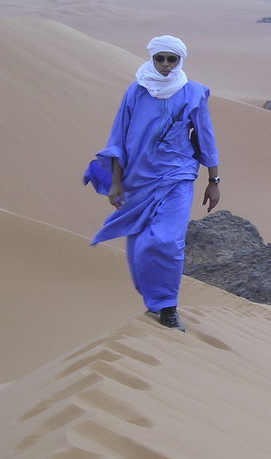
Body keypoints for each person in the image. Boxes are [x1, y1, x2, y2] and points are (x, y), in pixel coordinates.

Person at [84, 35, 220, 332]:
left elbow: (205, 138)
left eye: (172, 59)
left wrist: (214, 180)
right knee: (141, 246)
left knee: (166, 241)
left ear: (180, 60)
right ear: (152, 58)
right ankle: (154, 302)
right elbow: (118, 139)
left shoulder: (193, 92)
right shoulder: (136, 91)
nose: (166, 65)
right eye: (160, 58)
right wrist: (115, 183)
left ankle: (168, 306)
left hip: (178, 176)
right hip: (138, 180)